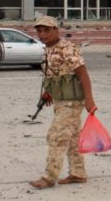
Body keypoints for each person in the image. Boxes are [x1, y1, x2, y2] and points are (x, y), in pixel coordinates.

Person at [29, 15, 97, 189]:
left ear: (56, 30)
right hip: (61, 99)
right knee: (73, 139)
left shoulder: (67, 48)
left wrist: (89, 100)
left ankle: (49, 177)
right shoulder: (48, 49)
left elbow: (83, 74)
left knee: (56, 136)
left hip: (72, 101)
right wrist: (48, 92)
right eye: (39, 31)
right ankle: (78, 173)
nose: (42, 34)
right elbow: (54, 73)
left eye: (46, 30)